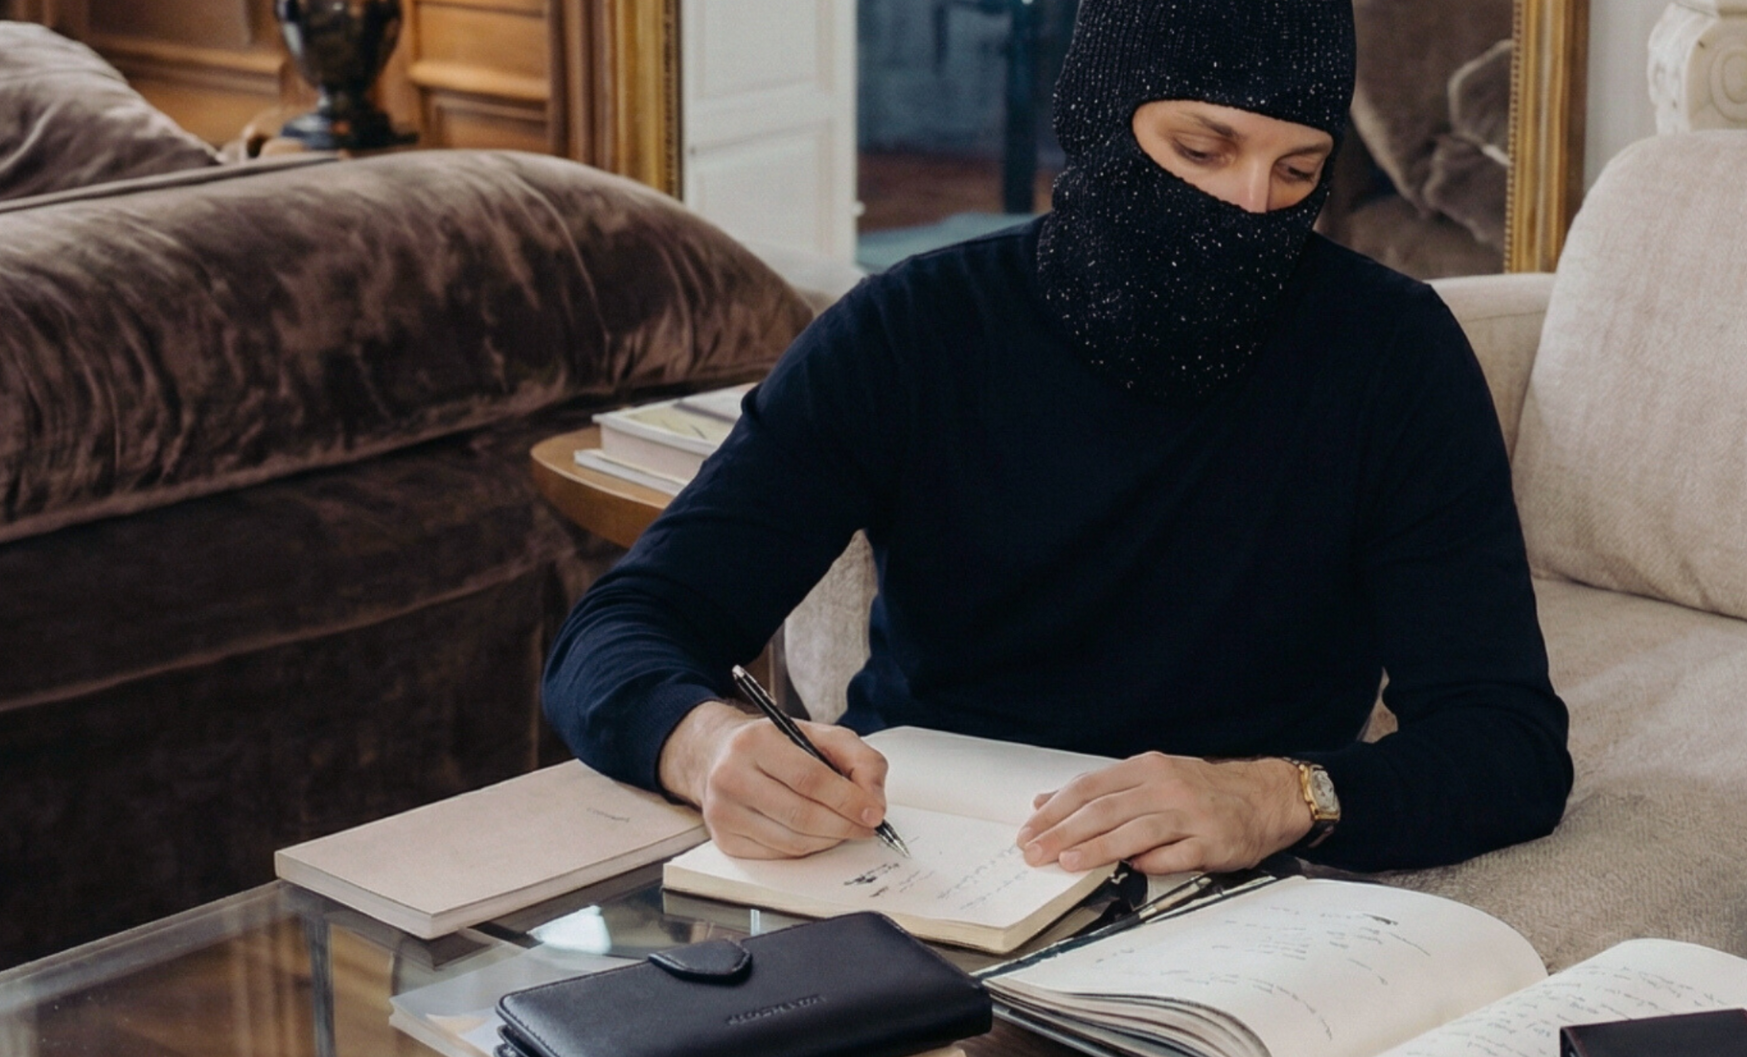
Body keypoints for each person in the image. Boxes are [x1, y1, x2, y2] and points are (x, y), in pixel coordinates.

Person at [541, 0, 1568, 877]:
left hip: (1223, 896)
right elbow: (625, 626)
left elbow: (1509, 745)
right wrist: (703, 743)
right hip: (910, 859)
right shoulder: (913, 329)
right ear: (1101, 118)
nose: (1251, 207)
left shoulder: (1391, 353)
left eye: (1297, 169)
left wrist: (1281, 795)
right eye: (1203, 151)